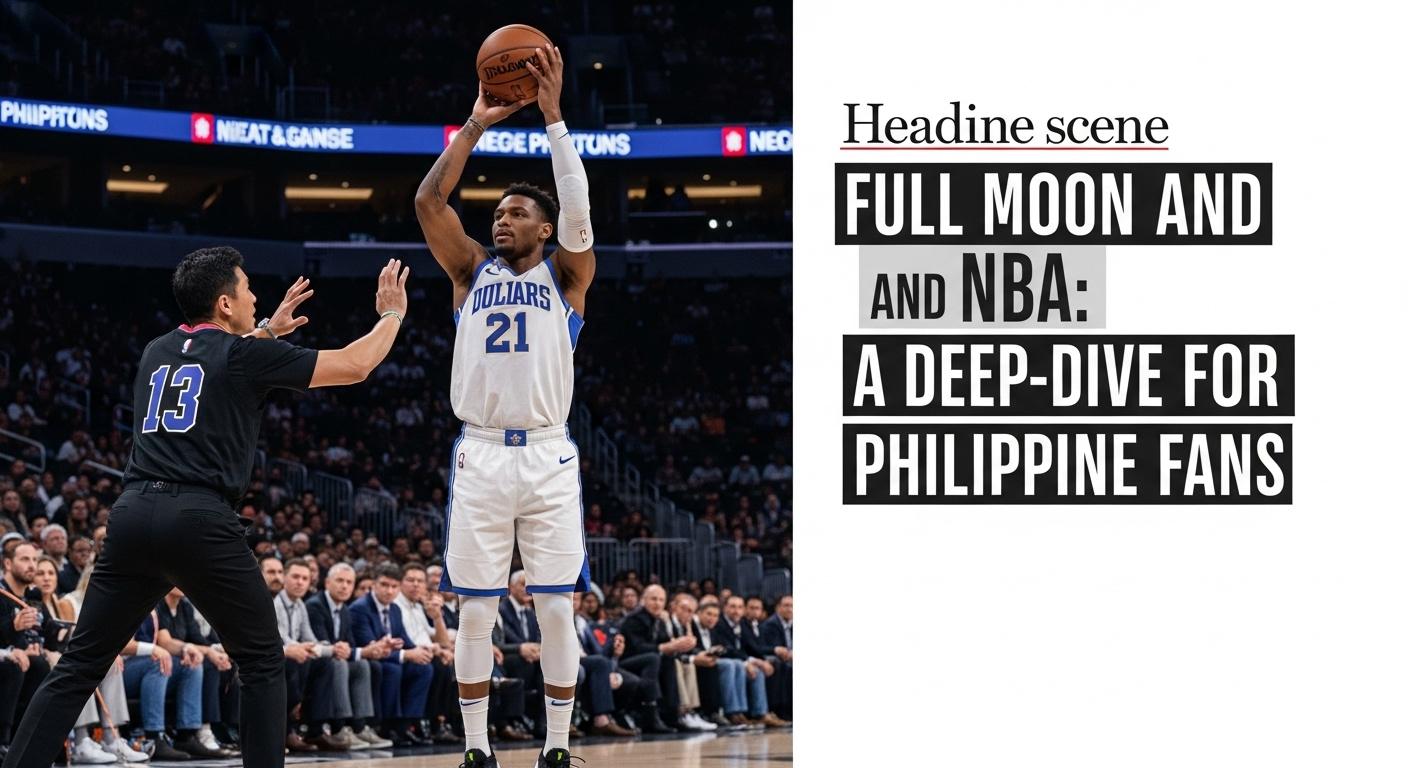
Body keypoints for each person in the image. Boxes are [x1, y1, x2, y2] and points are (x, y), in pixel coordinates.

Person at [0, 248, 411, 768]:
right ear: (224, 303)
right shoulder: (244, 356)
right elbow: (354, 366)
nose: (256, 297)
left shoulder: (155, 351)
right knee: (262, 661)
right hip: (197, 516)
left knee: (79, 664)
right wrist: (392, 313)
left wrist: (264, 330)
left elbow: (214, 363)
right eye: (248, 291)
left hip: (131, 514)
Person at [416, 44, 595, 768]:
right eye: (497, 212)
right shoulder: (468, 271)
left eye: (517, 213)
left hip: (549, 452)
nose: (501, 220)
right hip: (483, 450)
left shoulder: (569, 276)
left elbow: (579, 212)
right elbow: (430, 202)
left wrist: (553, 119)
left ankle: (556, 748)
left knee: (555, 607)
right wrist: (474, 124)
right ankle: (476, 749)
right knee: (478, 609)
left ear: (545, 230)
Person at [305, 562, 393, 749]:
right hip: (314, 661)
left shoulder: (345, 609)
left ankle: (360, 727)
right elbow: (319, 644)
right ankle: (339, 729)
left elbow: (350, 645)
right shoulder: (315, 606)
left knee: (362, 665)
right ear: (327, 583)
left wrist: (366, 649)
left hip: (335, 659)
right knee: (339, 664)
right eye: (340, 581)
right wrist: (345, 650)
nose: (344, 586)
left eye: (349, 582)